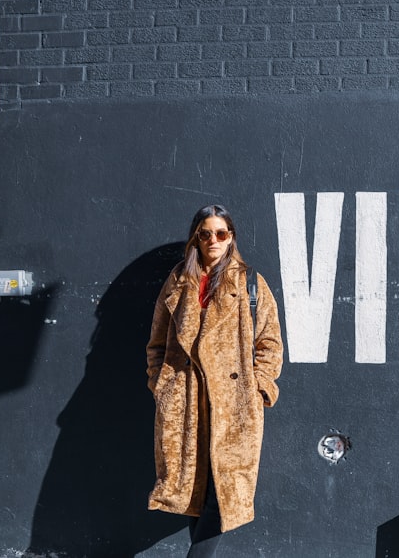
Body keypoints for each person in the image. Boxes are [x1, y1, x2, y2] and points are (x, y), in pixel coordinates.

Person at [145, 205, 284, 557]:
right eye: (205, 233)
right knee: (195, 489)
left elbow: (270, 342)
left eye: (221, 233)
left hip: (233, 404)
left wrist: (259, 386)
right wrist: (162, 386)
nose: (213, 241)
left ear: (231, 237)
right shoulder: (177, 282)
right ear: (196, 237)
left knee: (224, 494)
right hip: (185, 403)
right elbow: (157, 343)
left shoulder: (250, 282)